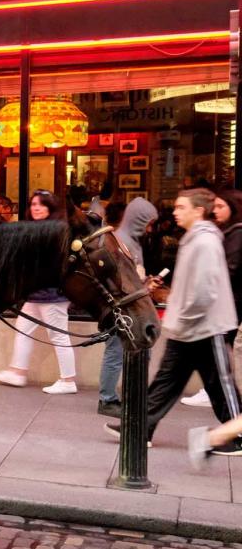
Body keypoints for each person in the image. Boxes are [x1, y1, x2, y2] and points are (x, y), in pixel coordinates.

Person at [105, 188, 241, 446]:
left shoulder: (205, 241)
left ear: (198, 210)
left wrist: (179, 312)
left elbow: (204, 290)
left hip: (205, 327)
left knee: (220, 384)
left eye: (181, 207)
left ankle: (237, 434)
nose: (175, 212)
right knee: (167, 381)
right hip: (188, 327)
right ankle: (139, 429)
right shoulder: (195, 238)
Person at [0, 190, 78, 394]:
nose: (36, 208)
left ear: (51, 207)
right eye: (33, 204)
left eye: (42, 204)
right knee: (23, 329)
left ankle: (68, 380)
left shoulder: (57, 230)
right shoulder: (42, 229)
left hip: (52, 294)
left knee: (58, 336)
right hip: (38, 294)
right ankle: (18, 372)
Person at [95, 196, 157, 418]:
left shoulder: (130, 240)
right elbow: (122, 278)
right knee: (116, 351)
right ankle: (108, 399)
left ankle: (127, 397)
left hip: (129, 305)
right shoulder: (121, 240)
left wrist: (146, 282)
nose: (150, 229)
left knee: (138, 353)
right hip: (122, 307)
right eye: (148, 223)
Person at [183, 189, 242, 408]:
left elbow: (229, 270)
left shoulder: (235, 233)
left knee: (219, 352)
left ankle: (229, 414)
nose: (215, 211)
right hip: (227, 303)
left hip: (230, 304)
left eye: (220, 207)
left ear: (232, 208)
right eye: (214, 206)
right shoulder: (222, 232)